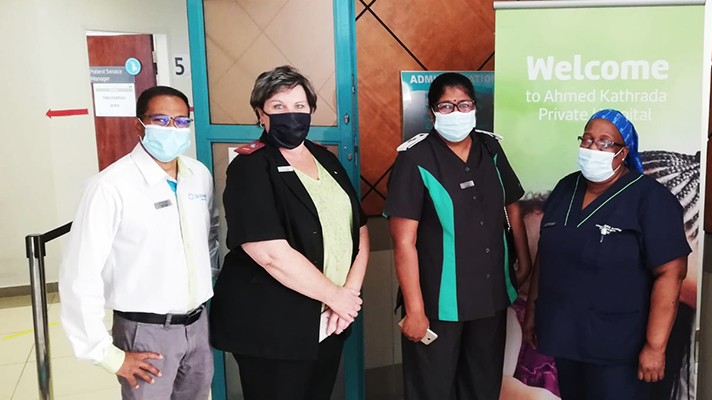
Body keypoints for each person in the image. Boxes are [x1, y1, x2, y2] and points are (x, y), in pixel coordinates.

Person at [209, 65, 369, 400]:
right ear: (260, 113)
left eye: (299, 106)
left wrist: (348, 298)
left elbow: (360, 230)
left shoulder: (327, 160)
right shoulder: (250, 167)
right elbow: (269, 253)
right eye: (278, 106)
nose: (290, 114)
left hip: (330, 320)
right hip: (274, 324)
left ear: (311, 109)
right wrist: (335, 296)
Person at [59, 86, 218, 399]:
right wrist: (106, 355)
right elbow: (80, 272)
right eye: (161, 120)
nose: (172, 129)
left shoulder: (198, 176)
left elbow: (209, 238)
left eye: (180, 122)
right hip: (145, 333)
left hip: (198, 326)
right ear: (139, 125)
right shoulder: (111, 186)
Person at [524, 109, 690, 399]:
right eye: (587, 139)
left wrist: (655, 346)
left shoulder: (650, 199)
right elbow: (546, 255)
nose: (592, 148)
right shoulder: (566, 188)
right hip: (564, 336)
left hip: (619, 346)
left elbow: (670, 273)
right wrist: (533, 312)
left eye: (604, 142)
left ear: (624, 151)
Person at [385, 72, 532, 400]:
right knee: (432, 389)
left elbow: (512, 204)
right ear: (431, 111)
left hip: (490, 296)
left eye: (464, 104)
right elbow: (403, 241)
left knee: (482, 385)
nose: (457, 112)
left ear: (475, 108)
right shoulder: (415, 159)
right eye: (447, 106)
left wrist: (523, 259)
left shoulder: (490, 148)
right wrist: (415, 310)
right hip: (438, 303)